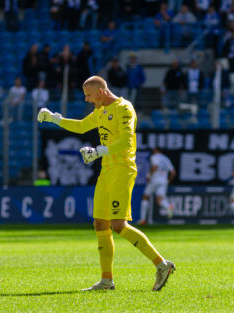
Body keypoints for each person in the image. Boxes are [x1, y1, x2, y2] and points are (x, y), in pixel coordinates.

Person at [37, 76, 176, 291]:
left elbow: (127, 141)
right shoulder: (100, 111)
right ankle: (106, 280)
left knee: (119, 225)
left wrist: (100, 151)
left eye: (89, 95)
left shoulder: (124, 108)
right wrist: (55, 119)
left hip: (122, 170)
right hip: (106, 171)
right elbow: (82, 126)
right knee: (100, 223)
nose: (86, 99)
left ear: (101, 91)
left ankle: (162, 265)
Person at [138, 147, 176, 225]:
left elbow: (155, 166)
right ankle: (168, 206)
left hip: (155, 180)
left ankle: (143, 219)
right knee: (160, 200)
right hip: (164, 181)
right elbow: (173, 172)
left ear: (156, 150)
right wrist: (168, 180)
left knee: (145, 197)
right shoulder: (166, 158)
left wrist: (149, 175)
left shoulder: (154, 157)